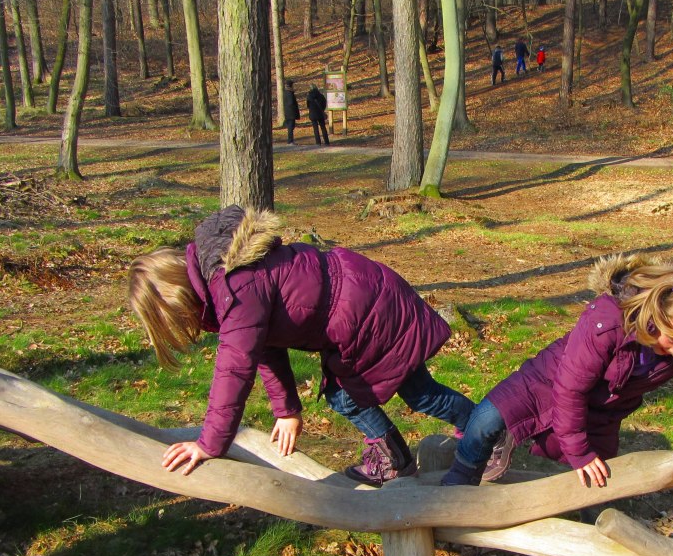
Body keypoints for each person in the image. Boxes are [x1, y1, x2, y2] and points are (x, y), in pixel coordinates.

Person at [440, 254, 673, 556]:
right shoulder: (607, 320)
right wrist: (578, 449)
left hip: (603, 410)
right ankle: (457, 486)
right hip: (548, 381)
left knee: (598, 481)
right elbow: (569, 388)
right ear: (659, 310)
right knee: (483, 421)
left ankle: (600, 553)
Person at [128, 205, 475, 486]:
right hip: (358, 303)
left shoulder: (234, 289)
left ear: (177, 299)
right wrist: (286, 410)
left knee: (417, 392)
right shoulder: (227, 280)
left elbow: (233, 370)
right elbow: (265, 348)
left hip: (369, 311)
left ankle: (483, 433)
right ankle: (397, 456)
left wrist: (209, 443)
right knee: (351, 394)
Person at [282, 80, 300, 145]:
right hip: (291, 112)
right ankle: (290, 141)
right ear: (291, 86)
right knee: (291, 127)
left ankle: (290, 140)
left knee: (291, 127)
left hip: (287, 112)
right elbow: (291, 102)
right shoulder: (289, 93)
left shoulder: (285, 92)